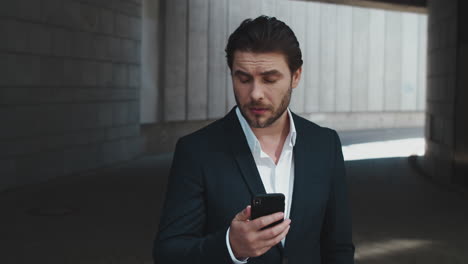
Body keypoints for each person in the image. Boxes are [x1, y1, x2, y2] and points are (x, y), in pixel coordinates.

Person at [153, 15, 354, 264]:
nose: (255, 94)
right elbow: (168, 253)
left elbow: (339, 246)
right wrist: (230, 247)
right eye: (244, 79)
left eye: (269, 79)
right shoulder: (196, 151)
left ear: (296, 76)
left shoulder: (325, 144)